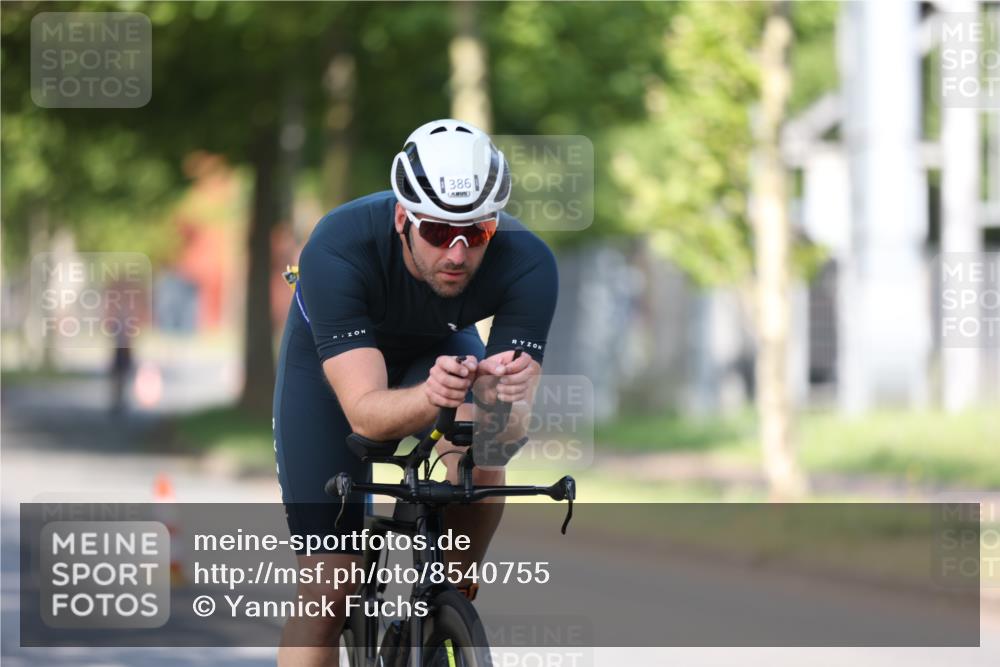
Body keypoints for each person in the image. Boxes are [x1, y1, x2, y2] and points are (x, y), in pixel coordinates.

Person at [272, 119, 558, 665]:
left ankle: (451, 600)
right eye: (438, 233)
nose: (457, 254)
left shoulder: (529, 263)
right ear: (403, 218)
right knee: (330, 590)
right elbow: (365, 415)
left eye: (476, 233)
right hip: (333, 372)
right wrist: (432, 396)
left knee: (483, 444)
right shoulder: (338, 246)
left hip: (439, 346)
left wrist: (503, 405)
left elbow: (512, 430)